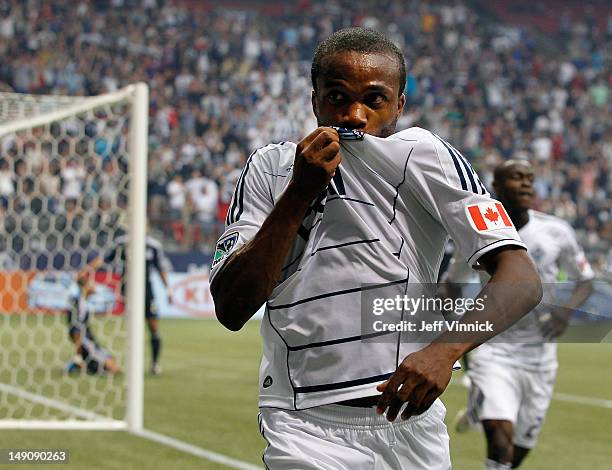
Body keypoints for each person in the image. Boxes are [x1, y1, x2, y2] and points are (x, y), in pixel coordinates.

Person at [210, 27, 542, 469]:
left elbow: (521, 278)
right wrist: (298, 193)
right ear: (314, 102)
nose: (354, 115)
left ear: (399, 106)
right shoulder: (271, 167)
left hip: (411, 425)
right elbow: (231, 307)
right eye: (337, 97)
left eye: (374, 99)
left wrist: (445, 351)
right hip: (303, 425)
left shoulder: (426, 156)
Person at [453, 160, 594, 469]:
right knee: (500, 440)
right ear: (497, 185)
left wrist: (565, 313)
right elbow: (450, 284)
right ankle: (481, 398)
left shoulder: (556, 231)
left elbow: (585, 280)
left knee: (518, 450)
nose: (527, 184)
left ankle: (476, 406)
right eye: (516, 177)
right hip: (495, 349)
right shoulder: (480, 231)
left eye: (530, 178)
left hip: (540, 356)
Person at [88, 232, 172, 375]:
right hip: (128, 289)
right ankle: (133, 363)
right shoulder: (121, 243)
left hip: (147, 291)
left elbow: (160, 268)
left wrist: (168, 290)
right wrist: (88, 269)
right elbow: (104, 259)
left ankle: (154, 363)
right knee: (134, 327)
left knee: (153, 326)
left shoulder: (153, 245)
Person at [65, 272, 120, 375]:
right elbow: (76, 329)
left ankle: (82, 364)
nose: (94, 287)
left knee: (113, 362)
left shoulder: (83, 301)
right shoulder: (78, 302)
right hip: (86, 341)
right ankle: (77, 362)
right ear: (85, 287)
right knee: (112, 367)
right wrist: (78, 355)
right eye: (91, 284)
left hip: (90, 341)